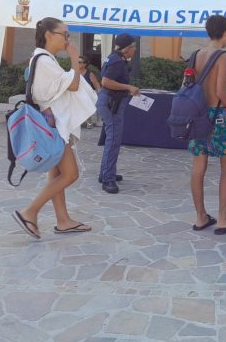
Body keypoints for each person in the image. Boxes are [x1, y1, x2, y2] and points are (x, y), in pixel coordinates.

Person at [11, 17, 96, 239]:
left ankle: (63, 220)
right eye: (65, 34)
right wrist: (74, 56)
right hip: (53, 126)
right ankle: (30, 212)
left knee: (56, 173)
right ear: (49, 35)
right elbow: (74, 85)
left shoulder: (43, 59)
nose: (68, 39)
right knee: (71, 174)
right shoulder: (44, 61)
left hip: (51, 124)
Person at [188, 15, 226, 234]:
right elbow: (221, 92)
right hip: (219, 115)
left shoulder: (196, 55)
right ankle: (223, 218)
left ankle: (201, 216)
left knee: (198, 168)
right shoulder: (223, 56)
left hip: (198, 114)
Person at [96, 34, 141, 194]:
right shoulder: (117, 61)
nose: (135, 50)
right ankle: (108, 179)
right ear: (126, 48)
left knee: (112, 139)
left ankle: (106, 173)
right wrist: (128, 87)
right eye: (133, 47)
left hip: (110, 101)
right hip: (111, 104)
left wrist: (126, 90)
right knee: (113, 140)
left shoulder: (114, 58)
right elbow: (106, 82)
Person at [77, 55, 101, 129]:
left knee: (84, 100)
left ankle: (89, 121)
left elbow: (96, 84)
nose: (78, 63)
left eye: (80, 62)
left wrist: (99, 94)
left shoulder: (90, 74)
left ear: (85, 64)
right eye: (77, 62)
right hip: (76, 93)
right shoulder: (74, 72)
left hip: (88, 94)